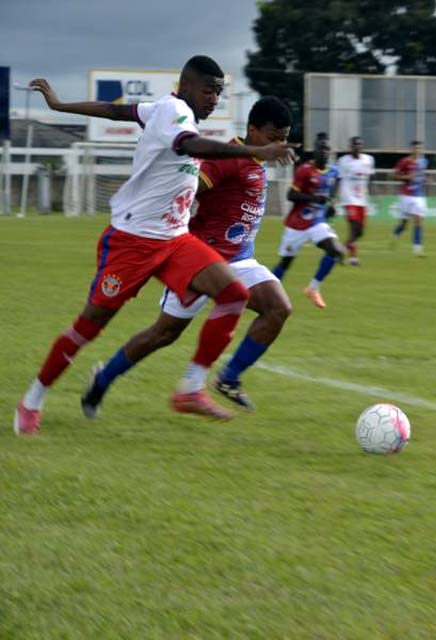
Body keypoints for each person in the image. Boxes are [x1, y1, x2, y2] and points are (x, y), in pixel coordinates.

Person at [13, 56, 296, 435]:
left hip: (175, 239)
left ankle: (192, 390)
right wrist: (253, 152)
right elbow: (189, 145)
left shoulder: (163, 108)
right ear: (189, 85)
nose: (215, 99)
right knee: (90, 326)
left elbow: (119, 111)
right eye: (210, 90)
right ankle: (32, 399)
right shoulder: (175, 111)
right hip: (132, 241)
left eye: (219, 92)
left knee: (232, 294)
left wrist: (61, 105)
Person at [80, 96, 295, 417]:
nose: (279, 145)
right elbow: (189, 189)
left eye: (284, 138)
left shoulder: (256, 163)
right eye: (272, 137)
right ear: (252, 130)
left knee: (278, 308)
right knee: (163, 334)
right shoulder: (227, 159)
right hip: (202, 261)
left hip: (239, 260)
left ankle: (227, 378)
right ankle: (103, 379)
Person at [272, 134, 346, 308]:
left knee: (335, 250)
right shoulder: (305, 170)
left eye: (327, 149)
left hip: (317, 223)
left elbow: (333, 189)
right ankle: (266, 292)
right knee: (286, 262)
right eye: (321, 149)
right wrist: (313, 198)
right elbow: (291, 195)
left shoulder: (334, 171)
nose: (324, 152)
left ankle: (313, 289)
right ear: (315, 151)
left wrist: (331, 204)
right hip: (296, 224)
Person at [336, 136, 375, 265]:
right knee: (353, 227)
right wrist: (333, 196)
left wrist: (374, 192)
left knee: (360, 232)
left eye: (359, 145)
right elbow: (338, 179)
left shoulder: (368, 160)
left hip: (362, 200)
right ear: (350, 147)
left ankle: (342, 250)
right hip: (348, 199)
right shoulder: (343, 161)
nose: (357, 147)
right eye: (355, 145)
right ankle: (352, 257)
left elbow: (370, 178)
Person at [392, 140, 428, 255]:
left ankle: (417, 249)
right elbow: (394, 176)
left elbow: (421, 175)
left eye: (419, 148)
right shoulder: (404, 161)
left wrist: (426, 179)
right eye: (415, 148)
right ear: (411, 149)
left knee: (418, 220)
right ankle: (396, 234)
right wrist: (407, 177)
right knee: (404, 223)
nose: (417, 150)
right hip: (406, 196)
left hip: (419, 196)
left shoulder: (424, 161)